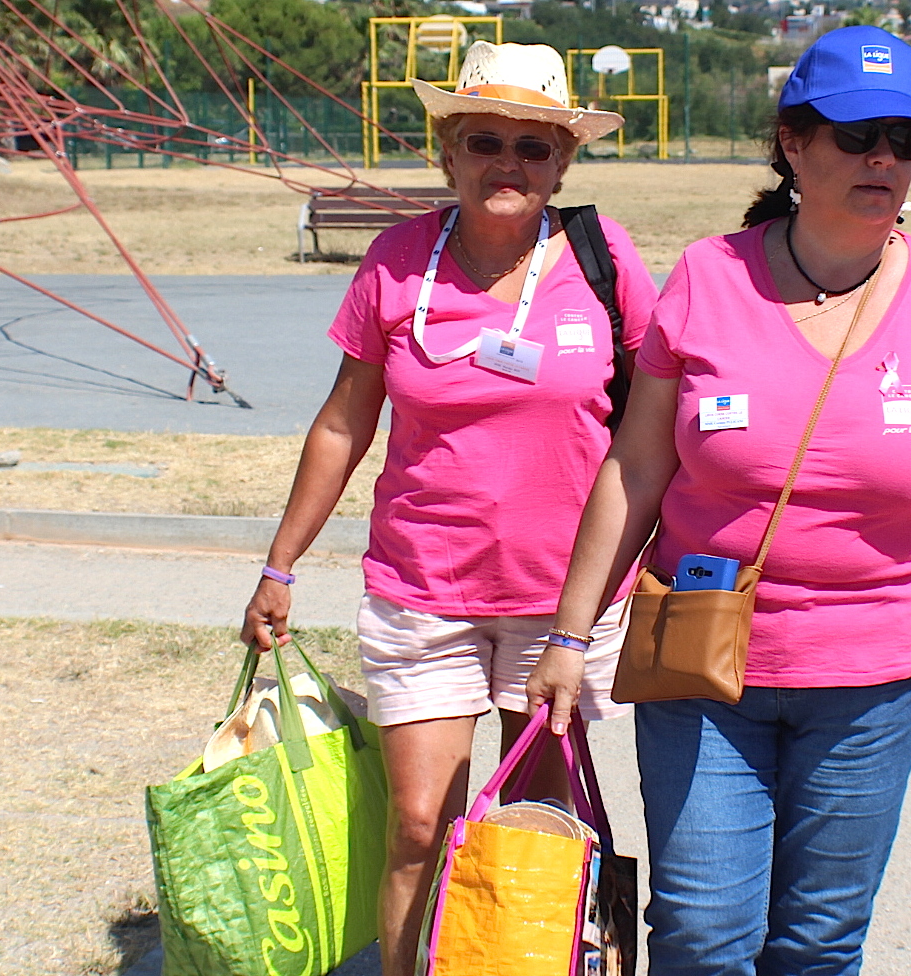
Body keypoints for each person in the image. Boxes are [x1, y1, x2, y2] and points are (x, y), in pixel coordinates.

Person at [529, 27, 911, 975]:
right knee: (701, 931)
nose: (882, 158)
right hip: (701, 659)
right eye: (855, 136)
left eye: (904, 139)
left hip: (876, 679)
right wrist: (566, 635)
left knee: (817, 941)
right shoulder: (708, 279)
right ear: (793, 145)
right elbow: (635, 469)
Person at [237, 41, 656, 976]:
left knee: (537, 830)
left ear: (563, 162)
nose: (508, 162)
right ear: (446, 151)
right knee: (420, 824)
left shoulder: (601, 257)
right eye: (483, 139)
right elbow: (344, 423)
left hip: (567, 605)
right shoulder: (396, 262)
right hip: (423, 589)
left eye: (534, 147)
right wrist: (279, 564)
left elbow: (657, 418)